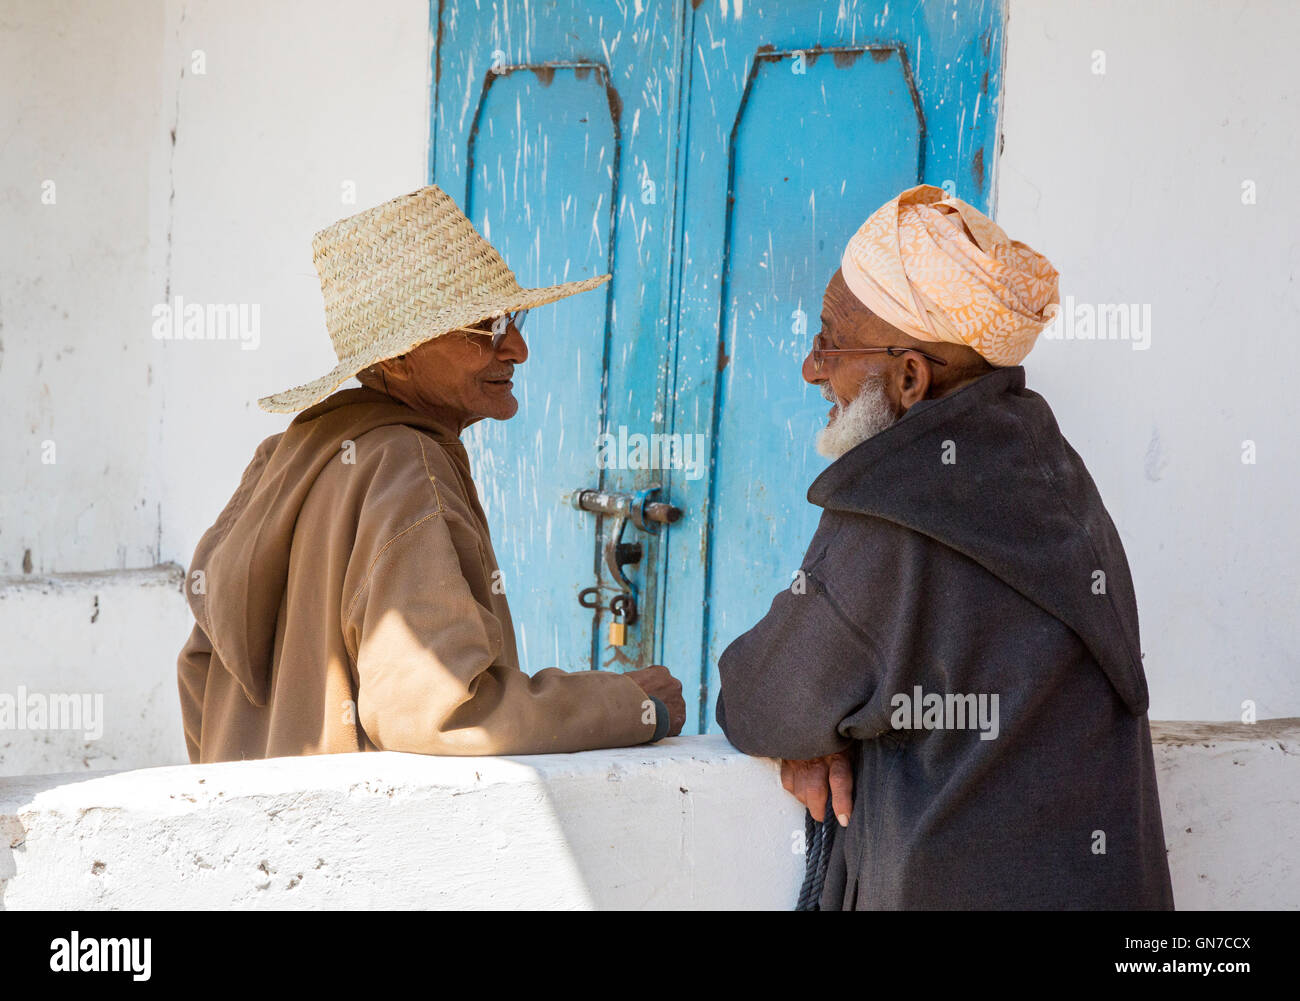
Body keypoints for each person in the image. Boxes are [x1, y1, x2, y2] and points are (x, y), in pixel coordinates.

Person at [715, 184, 1174, 909]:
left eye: (831, 343)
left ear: (908, 376)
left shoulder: (891, 509)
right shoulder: (1055, 473)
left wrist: (820, 728)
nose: (812, 368)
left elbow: (764, 697)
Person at [177, 185, 685, 763]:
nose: (516, 348)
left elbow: (200, 675)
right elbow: (437, 709)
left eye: (510, 321)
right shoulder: (403, 461)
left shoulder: (285, 457)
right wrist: (631, 703)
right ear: (395, 359)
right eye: (483, 328)